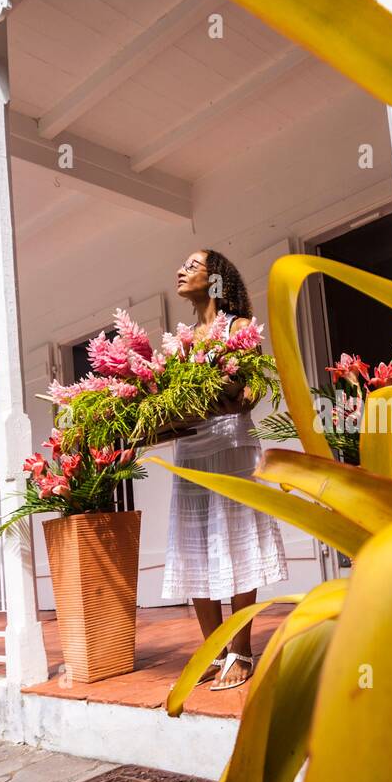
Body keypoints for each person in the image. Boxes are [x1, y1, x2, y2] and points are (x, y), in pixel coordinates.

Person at [161, 249, 289, 690]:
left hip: (232, 444)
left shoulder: (239, 329)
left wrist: (228, 392)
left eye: (191, 265)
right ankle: (214, 651)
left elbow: (253, 391)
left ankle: (242, 650)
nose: (180, 269)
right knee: (195, 543)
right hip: (192, 448)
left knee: (236, 539)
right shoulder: (179, 341)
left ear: (216, 279)